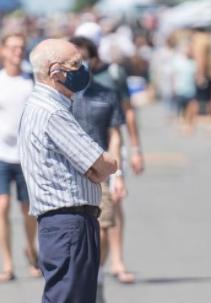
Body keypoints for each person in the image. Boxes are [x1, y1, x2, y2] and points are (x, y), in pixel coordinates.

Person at [20, 38, 118, 303]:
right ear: (55, 71)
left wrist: (98, 168)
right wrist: (105, 164)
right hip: (70, 223)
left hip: (61, 223)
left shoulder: (44, 106)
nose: (83, 68)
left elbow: (94, 167)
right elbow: (100, 162)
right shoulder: (51, 110)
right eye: (75, 63)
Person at [75, 22, 145, 284]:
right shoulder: (64, 88)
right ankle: (89, 271)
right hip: (73, 166)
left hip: (104, 159)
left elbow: (125, 115)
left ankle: (112, 261)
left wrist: (134, 151)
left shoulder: (112, 76)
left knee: (112, 208)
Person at [69, 36, 127, 303]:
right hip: (66, 174)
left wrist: (119, 175)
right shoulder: (59, 98)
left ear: (93, 61)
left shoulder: (107, 94)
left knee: (103, 232)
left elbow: (116, 134)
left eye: (83, 60)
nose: (79, 66)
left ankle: (98, 275)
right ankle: (77, 280)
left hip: (101, 172)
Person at [0, 33, 39, 282]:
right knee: (1, 205)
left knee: (29, 210)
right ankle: (7, 263)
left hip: (27, 156)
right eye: (12, 47)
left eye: (21, 47)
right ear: (2, 51)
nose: (17, 51)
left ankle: (30, 249)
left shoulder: (32, 81)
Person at [172, 44, 199, 135]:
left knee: (190, 107)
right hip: (180, 88)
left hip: (190, 89)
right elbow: (174, 75)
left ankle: (188, 124)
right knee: (182, 108)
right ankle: (184, 123)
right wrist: (173, 87)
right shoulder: (179, 62)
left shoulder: (193, 63)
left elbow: (195, 76)